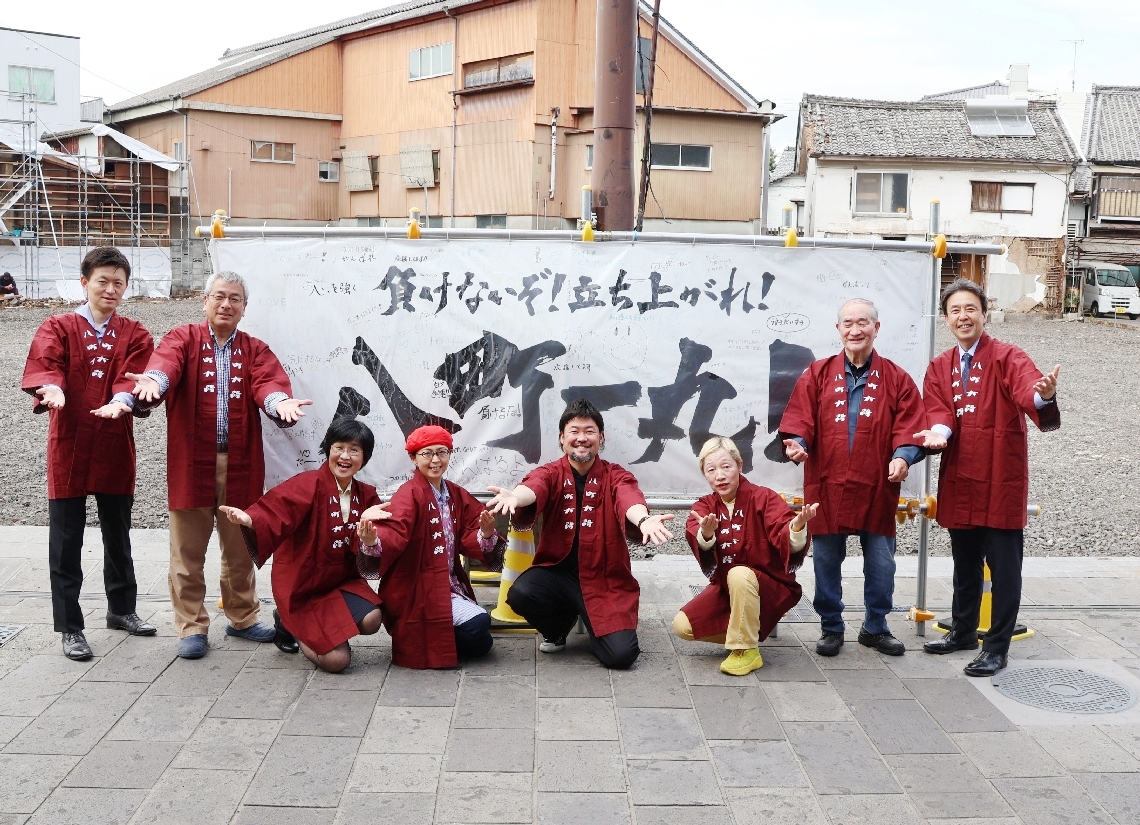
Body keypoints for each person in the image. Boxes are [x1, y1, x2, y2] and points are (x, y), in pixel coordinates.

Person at [129, 271, 313, 660]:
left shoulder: (256, 349)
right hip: (191, 459)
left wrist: (279, 402)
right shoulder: (182, 338)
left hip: (241, 460)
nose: (226, 304)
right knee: (186, 550)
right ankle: (191, 625)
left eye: (235, 299)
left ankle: (242, 617)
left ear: (245, 309)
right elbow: (166, 366)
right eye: (219, 296)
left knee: (241, 546)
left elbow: (267, 382)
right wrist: (154, 384)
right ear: (205, 301)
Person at [919, 278, 1060, 676]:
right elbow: (938, 410)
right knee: (964, 563)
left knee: (1004, 568)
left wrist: (1043, 396)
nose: (963, 317)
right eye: (955, 311)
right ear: (946, 318)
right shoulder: (940, 366)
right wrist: (938, 433)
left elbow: (1027, 391)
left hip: (1001, 477)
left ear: (984, 313)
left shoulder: (1007, 356)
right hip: (961, 476)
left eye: (970, 309)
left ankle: (996, 646)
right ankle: (963, 630)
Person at [21, 247, 156, 660]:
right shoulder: (58, 325)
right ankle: (70, 626)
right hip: (71, 444)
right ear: (85, 283)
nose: (111, 289)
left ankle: (122, 609)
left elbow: (134, 377)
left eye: (119, 282)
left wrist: (122, 400)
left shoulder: (135, 332)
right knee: (66, 540)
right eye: (103, 281)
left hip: (115, 444)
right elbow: (47, 363)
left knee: (119, 534)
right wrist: (52, 386)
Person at [780, 297, 931, 658]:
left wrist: (903, 456)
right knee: (826, 560)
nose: (855, 329)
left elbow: (910, 425)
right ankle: (831, 626)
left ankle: (875, 627)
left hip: (877, 484)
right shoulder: (817, 373)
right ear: (838, 330)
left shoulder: (896, 378)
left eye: (863, 322)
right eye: (848, 323)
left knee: (882, 562)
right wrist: (797, 444)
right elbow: (800, 420)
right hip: (827, 483)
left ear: (876, 328)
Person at [486, 398, 675, 670]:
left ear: (601, 438)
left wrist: (643, 519)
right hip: (558, 573)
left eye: (589, 431)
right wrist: (516, 496)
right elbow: (534, 487)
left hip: (604, 576)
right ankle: (559, 626)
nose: (581, 438)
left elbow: (628, 497)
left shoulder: (616, 475)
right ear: (562, 438)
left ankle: (597, 625)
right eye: (574, 432)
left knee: (620, 656)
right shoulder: (550, 472)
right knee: (521, 594)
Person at [218, 418, 383, 672]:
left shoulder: (367, 494)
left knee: (372, 619)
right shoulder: (307, 484)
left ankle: (321, 629)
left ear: (365, 457)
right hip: (302, 586)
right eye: (339, 447)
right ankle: (292, 625)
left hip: (340, 582)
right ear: (328, 448)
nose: (345, 456)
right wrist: (251, 519)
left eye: (354, 450)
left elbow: (379, 536)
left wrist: (371, 540)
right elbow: (277, 509)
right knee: (337, 662)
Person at [355, 425, 502, 669]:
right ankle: (428, 639)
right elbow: (394, 532)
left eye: (442, 452)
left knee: (481, 634)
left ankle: (430, 639)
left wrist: (485, 533)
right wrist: (372, 541)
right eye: (427, 454)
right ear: (413, 458)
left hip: (447, 584)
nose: (435, 460)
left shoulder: (455, 493)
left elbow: (470, 532)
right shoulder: (408, 494)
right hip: (415, 588)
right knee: (478, 629)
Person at [673, 437, 818, 675]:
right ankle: (745, 631)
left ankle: (746, 650)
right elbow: (696, 530)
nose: (719, 475)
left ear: (740, 466)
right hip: (727, 592)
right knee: (683, 626)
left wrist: (797, 527)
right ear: (705, 475)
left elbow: (783, 529)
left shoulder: (764, 497)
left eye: (726, 466)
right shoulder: (704, 506)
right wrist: (706, 533)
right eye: (711, 470)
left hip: (771, 588)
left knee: (739, 573)